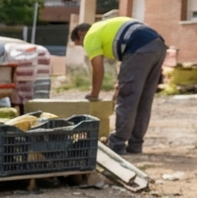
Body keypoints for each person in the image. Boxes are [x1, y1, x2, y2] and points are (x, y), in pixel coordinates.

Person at [69, 16, 166, 155]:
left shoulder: (90, 35)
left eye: (81, 45)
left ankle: (117, 145)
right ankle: (135, 145)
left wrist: (94, 94)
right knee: (144, 100)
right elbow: (126, 60)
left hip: (139, 46)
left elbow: (97, 67)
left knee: (127, 99)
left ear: (80, 34)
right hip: (158, 44)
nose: (85, 48)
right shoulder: (105, 29)